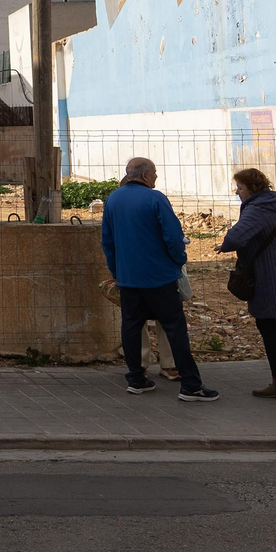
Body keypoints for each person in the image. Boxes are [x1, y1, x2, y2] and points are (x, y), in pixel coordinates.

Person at [100, 157, 218, 401]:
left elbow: (108, 241)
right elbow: (173, 237)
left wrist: (116, 272)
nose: (156, 177)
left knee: (131, 326)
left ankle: (136, 379)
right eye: (154, 173)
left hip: (128, 277)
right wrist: (178, 260)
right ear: (145, 175)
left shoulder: (113, 199)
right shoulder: (156, 199)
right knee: (174, 328)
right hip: (158, 277)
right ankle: (191, 385)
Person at [219, 166, 276, 399]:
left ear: (252, 188)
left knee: (269, 327)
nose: (237, 192)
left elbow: (234, 238)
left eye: (240, 187)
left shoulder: (257, 209)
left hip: (268, 278)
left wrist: (230, 246)